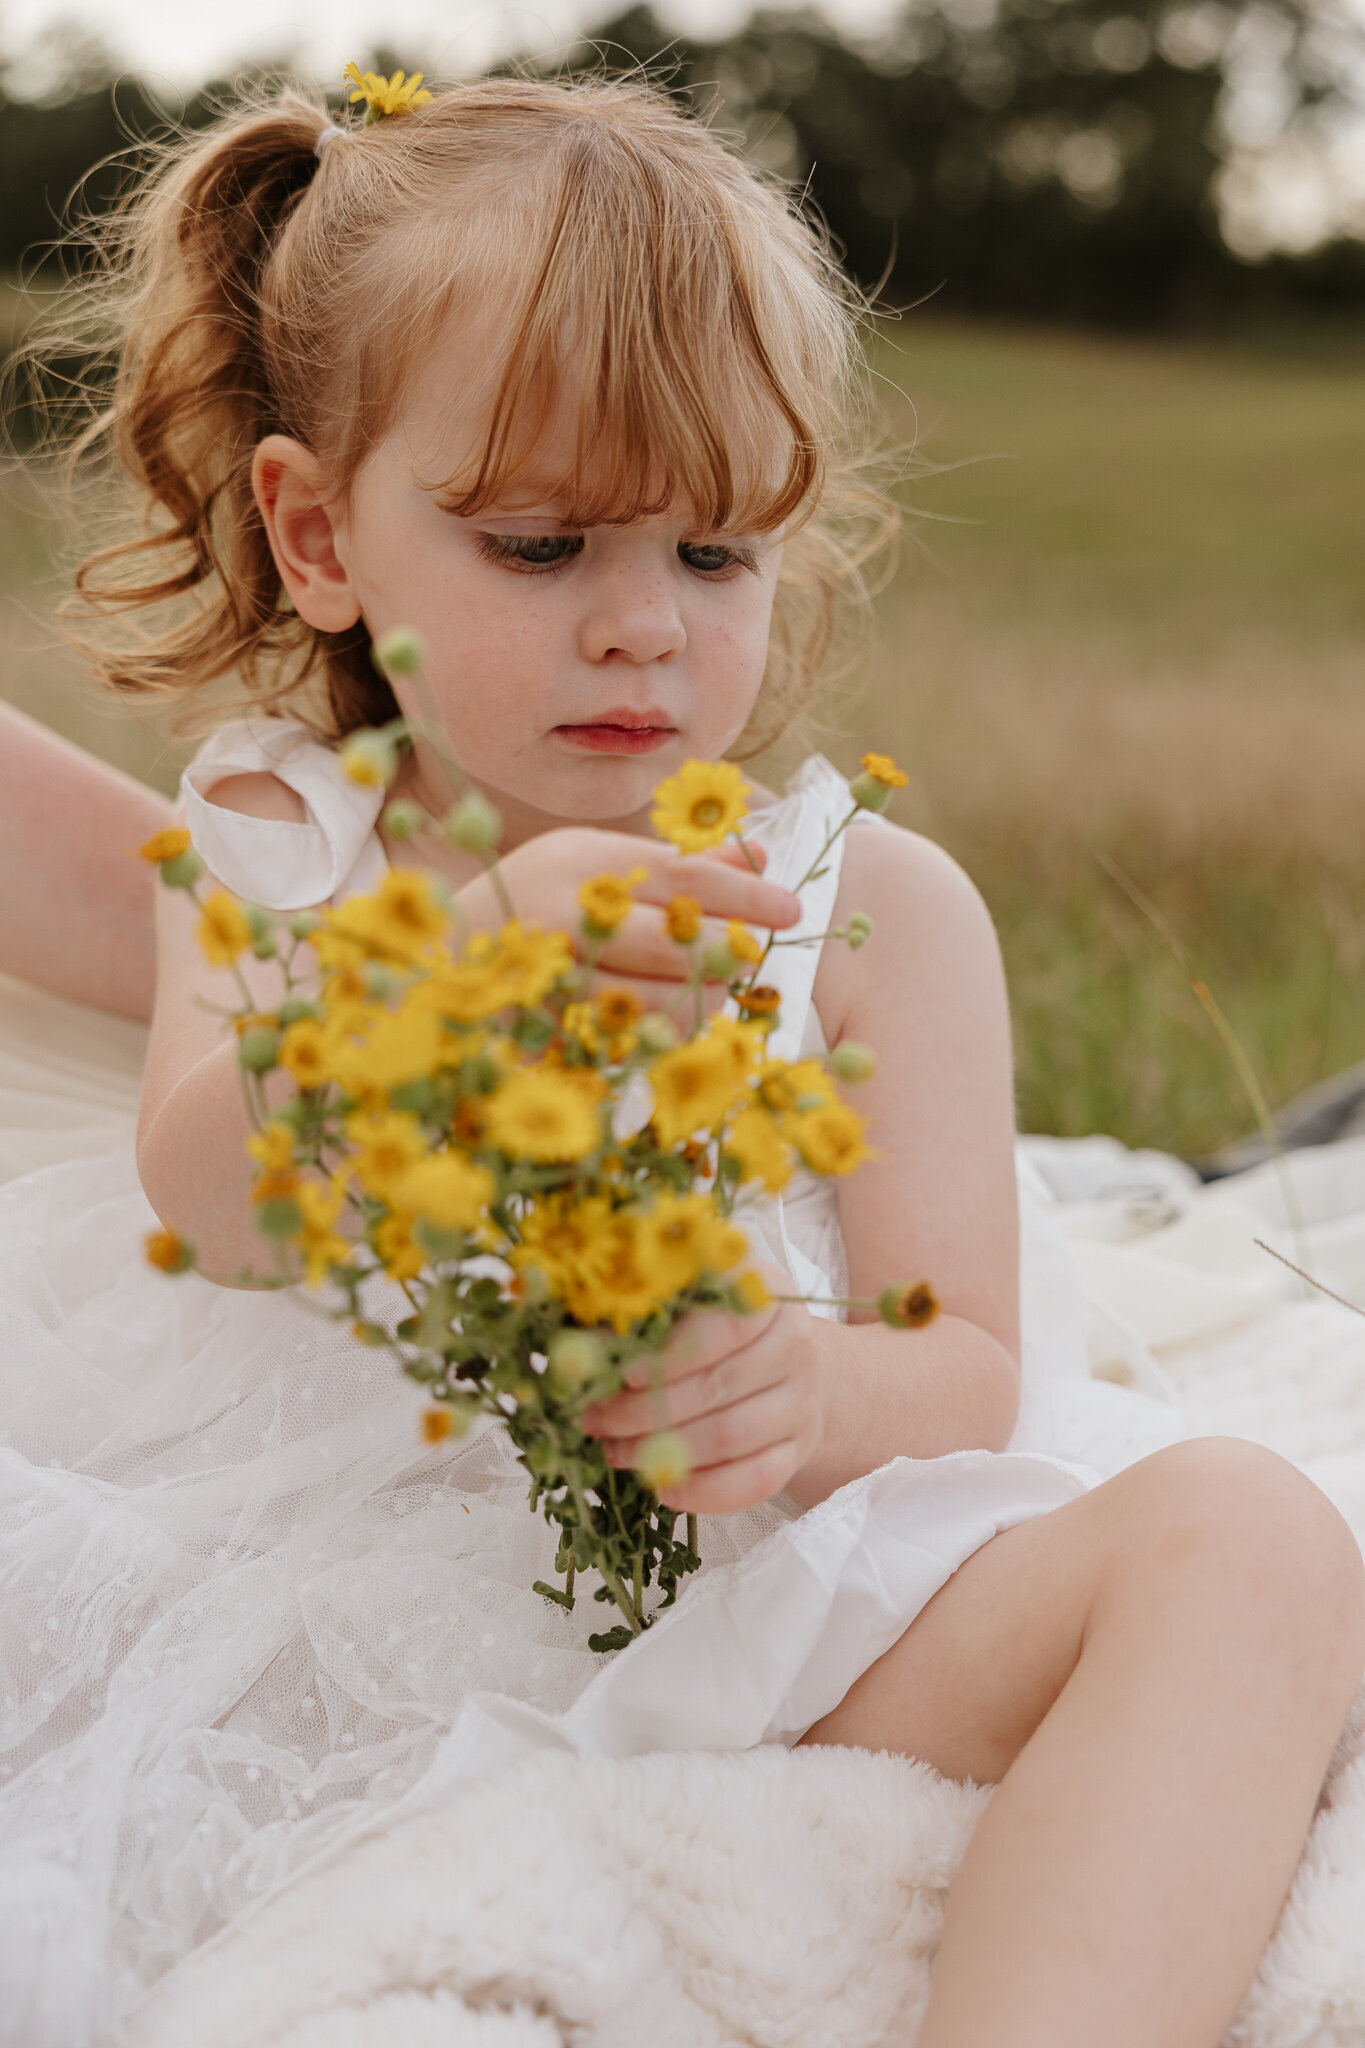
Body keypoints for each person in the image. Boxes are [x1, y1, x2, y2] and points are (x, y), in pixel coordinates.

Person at [1, 69, 1360, 2048]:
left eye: (714, 554)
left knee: (1246, 1539)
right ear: (317, 535)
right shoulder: (284, 842)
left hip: (793, 1601)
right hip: (420, 1594)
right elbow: (210, 1187)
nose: (642, 629)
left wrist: (799, 1390)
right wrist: (456, 972)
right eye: (542, 545)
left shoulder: (857, 901)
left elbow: (961, 1357)